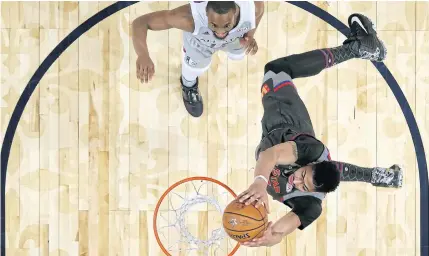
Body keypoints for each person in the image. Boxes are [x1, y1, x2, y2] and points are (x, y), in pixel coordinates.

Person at [236, 13, 403, 247]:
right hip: (286, 122)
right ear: (309, 163)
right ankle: (358, 49)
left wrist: (267, 238)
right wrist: (259, 183)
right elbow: (269, 155)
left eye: (304, 186)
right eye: (303, 175)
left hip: (276, 139)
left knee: (329, 172)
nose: (297, 181)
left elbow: (279, 232)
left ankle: (381, 176)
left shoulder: (311, 206)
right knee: (275, 71)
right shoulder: (309, 151)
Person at [132, 1, 265, 117]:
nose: (219, 32)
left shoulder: (254, 7)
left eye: (226, 25)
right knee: (193, 69)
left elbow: (257, 16)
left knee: (238, 54)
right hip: (200, 45)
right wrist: (143, 54)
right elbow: (141, 23)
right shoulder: (189, 17)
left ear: (235, 12)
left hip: (235, 39)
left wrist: (250, 36)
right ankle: (188, 86)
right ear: (205, 12)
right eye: (213, 25)